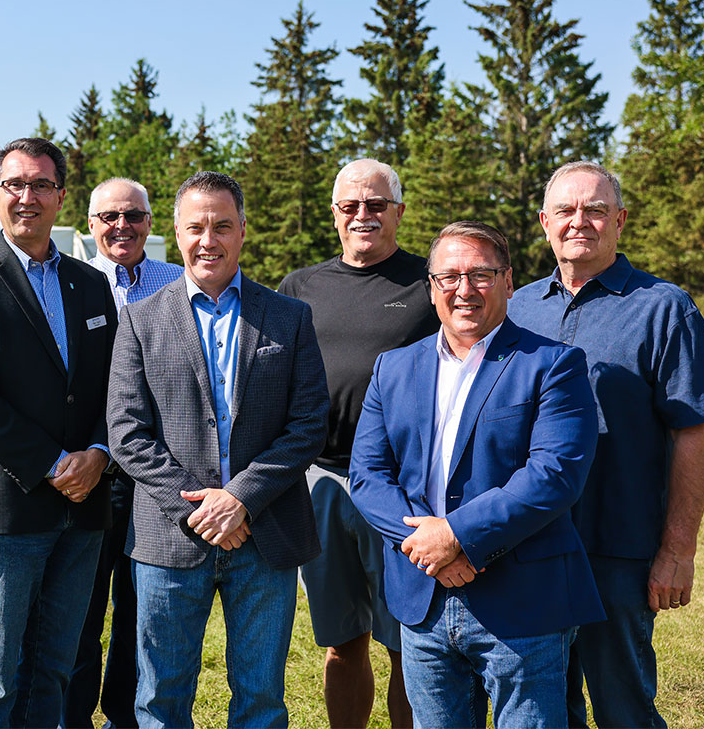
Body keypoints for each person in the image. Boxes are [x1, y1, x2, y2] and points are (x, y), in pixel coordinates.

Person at [507, 161, 704, 729]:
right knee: (542, 707)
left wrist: (677, 551)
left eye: (594, 209)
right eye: (565, 210)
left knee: (623, 707)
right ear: (544, 222)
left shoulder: (664, 308)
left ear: (620, 220)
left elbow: (694, 431)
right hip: (528, 545)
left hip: (618, 548)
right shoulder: (515, 309)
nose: (578, 221)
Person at [349, 220, 604, 728]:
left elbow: (554, 474)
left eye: (481, 275)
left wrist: (456, 537)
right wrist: (428, 547)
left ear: (509, 282)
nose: (464, 290)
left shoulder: (553, 364)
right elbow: (368, 476)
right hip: (422, 596)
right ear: (431, 288)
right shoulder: (393, 368)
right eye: (449, 277)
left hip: (522, 599)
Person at [108, 171, 329, 728]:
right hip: (168, 536)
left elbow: (307, 424)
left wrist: (242, 500)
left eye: (222, 226)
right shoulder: (139, 319)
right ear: (176, 235)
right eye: (196, 227)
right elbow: (127, 431)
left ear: (243, 231)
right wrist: (202, 510)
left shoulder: (289, 316)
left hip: (265, 532)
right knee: (160, 698)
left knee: (261, 698)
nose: (209, 240)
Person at [0, 137, 118, 728]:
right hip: (9, 506)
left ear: (61, 197)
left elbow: (114, 383)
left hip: (84, 509)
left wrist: (96, 453)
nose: (28, 196)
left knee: (56, 667)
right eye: (16, 184)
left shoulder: (91, 285)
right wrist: (52, 464)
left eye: (41, 185)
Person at [278, 159, 434, 729]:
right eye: (351, 206)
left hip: (404, 487)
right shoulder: (300, 286)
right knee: (342, 640)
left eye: (376, 205)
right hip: (318, 480)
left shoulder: (429, 281)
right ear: (336, 214)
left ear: (398, 210)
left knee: (408, 643)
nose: (363, 215)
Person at [68, 177, 182, 729]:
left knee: (143, 612)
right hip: (90, 470)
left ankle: (126, 717)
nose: (122, 227)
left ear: (150, 222)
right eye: (109, 216)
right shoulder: (72, 283)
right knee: (81, 608)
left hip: (155, 477)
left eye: (133, 216)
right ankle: (72, 715)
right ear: (90, 225)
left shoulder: (178, 283)